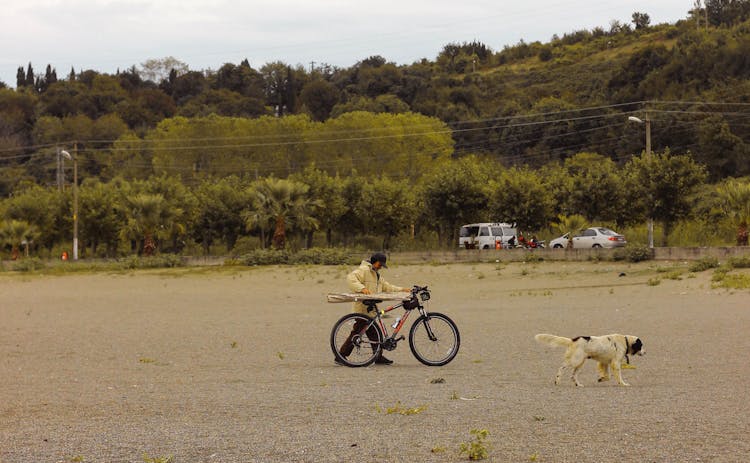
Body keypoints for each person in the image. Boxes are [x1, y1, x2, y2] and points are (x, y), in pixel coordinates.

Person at [338, 252, 411, 365]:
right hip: (362, 308)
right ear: (374, 261)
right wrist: (362, 288)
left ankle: (377, 356)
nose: (380, 266)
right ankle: (341, 356)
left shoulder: (376, 274)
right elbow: (350, 278)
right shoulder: (364, 270)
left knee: (374, 334)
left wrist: (402, 289)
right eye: (379, 264)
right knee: (357, 332)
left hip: (370, 309)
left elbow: (387, 287)